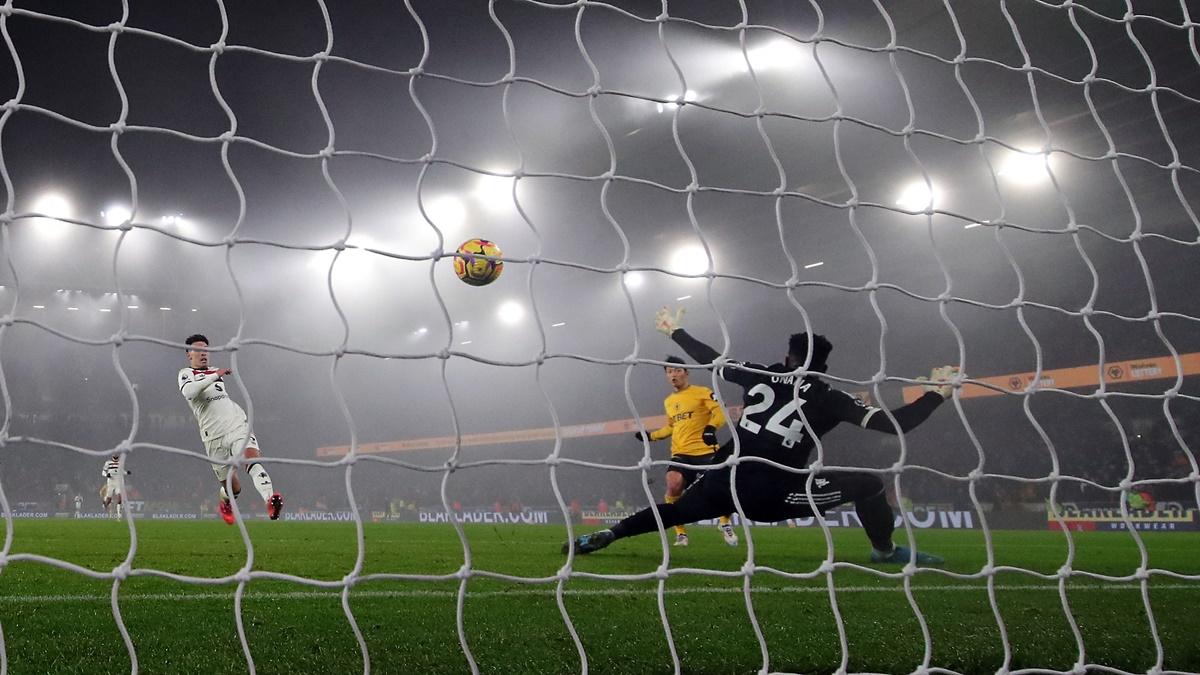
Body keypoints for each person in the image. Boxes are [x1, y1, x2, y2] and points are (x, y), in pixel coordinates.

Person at [565, 307, 959, 565]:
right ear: (822, 366)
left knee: (675, 511)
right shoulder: (828, 397)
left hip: (726, 480)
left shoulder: (762, 374)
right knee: (871, 484)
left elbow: (711, 359)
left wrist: (675, 331)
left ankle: (610, 533)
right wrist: (935, 394)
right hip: (772, 495)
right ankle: (884, 550)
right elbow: (895, 425)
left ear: (787, 359)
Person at [179, 334, 283, 524]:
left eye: (207, 350)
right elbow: (189, 392)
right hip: (213, 436)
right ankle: (226, 502)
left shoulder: (212, 372)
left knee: (252, 460)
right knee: (232, 487)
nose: (204, 354)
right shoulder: (186, 374)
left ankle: (270, 500)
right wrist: (215, 375)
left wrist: (214, 374)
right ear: (189, 354)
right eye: (199, 350)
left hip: (236, 425)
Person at [635, 355, 737, 547]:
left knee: (723, 486)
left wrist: (710, 428)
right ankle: (681, 533)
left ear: (686, 372)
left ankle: (725, 523)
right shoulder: (668, 401)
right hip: (681, 453)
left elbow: (720, 412)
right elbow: (672, 427)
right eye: (669, 372)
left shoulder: (702, 392)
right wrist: (652, 436)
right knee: (673, 483)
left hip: (706, 451)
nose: (673, 374)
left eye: (677, 370)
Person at [101, 454, 129, 519]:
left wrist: (126, 472)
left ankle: (119, 514)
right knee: (109, 499)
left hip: (118, 481)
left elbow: (121, 471)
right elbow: (103, 471)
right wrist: (106, 475)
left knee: (119, 496)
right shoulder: (108, 463)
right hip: (111, 481)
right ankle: (104, 505)